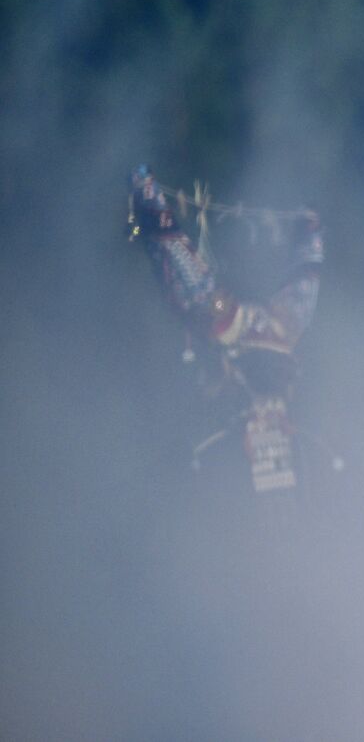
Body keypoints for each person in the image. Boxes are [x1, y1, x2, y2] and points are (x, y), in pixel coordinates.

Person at [128, 166, 324, 505]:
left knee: (205, 291)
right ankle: (151, 201)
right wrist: (312, 229)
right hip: (257, 330)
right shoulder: (273, 325)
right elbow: (307, 275)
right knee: (217, 293)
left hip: (239, 330)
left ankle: (151, 201)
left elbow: (187, 270)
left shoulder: (238, 323)